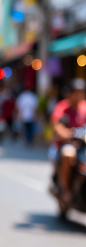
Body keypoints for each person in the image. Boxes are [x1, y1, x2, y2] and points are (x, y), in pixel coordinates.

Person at [51, 78, 86, 210]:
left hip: (84, 146)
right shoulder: (62, 107)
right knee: (68, 154)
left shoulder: (84, 107)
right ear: (70, 94)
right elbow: (57, 125)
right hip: (68, 144)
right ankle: (66, 190)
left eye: (81, 93)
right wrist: (68, 133)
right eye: (76, 93)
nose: (78, 96)